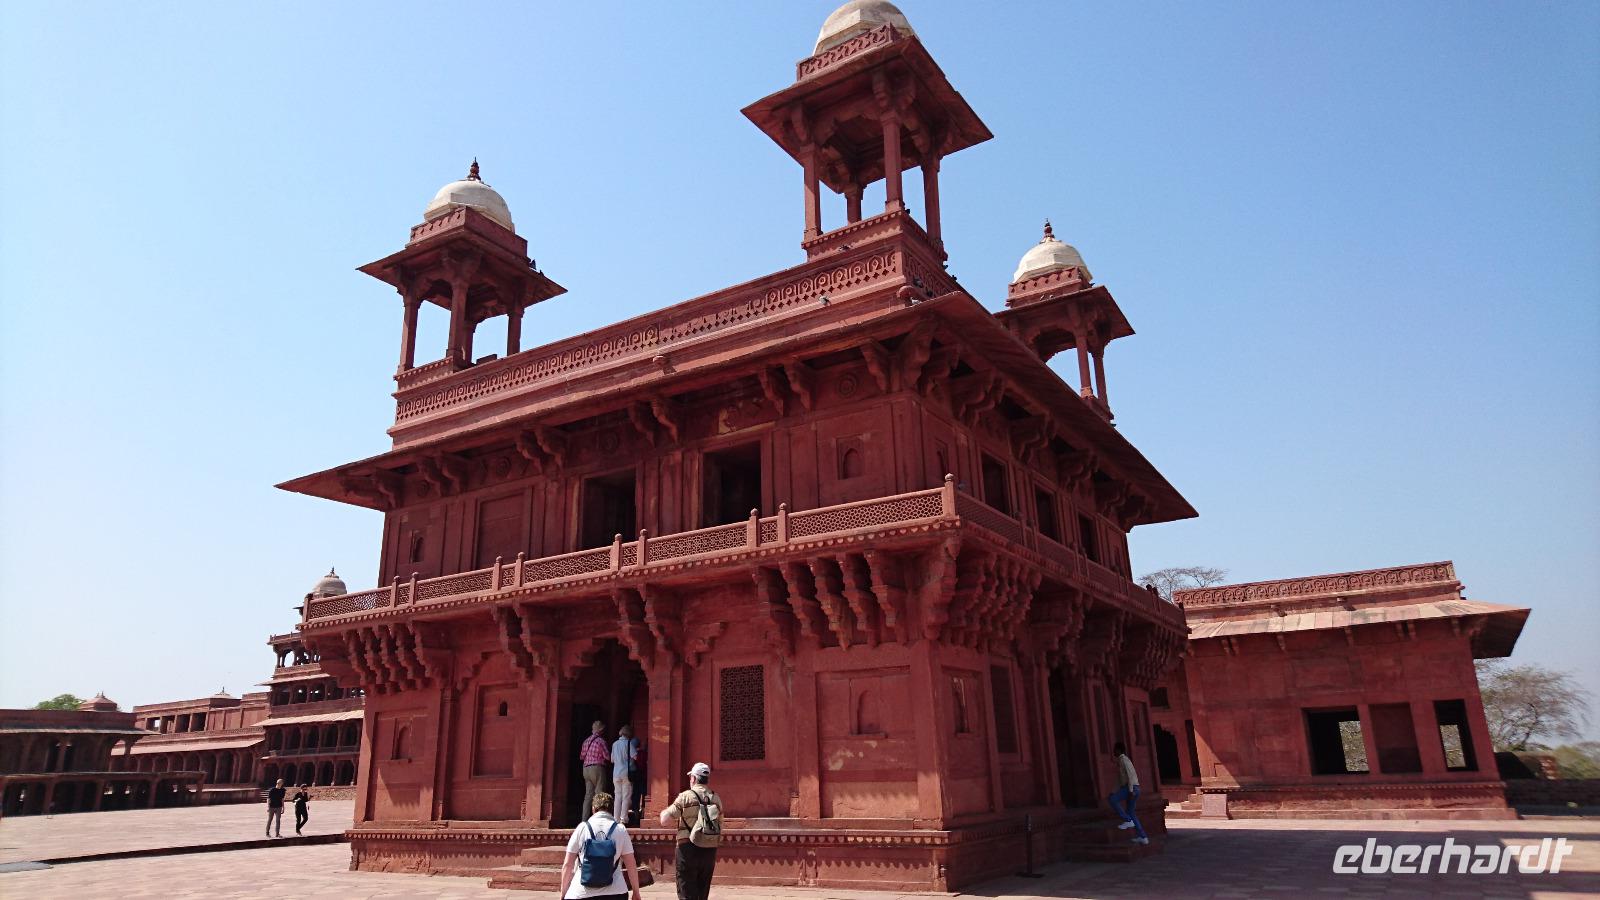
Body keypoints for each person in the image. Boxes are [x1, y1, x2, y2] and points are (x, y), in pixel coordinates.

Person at [558, 791, 643, 900]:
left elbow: (567, 864)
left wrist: (563, 892)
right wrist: (636, 892)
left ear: (593, 809)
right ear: (611, 810)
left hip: (581, 893)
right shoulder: (620, 829)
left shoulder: (582, 828)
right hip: (616, 892)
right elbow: (631, 864)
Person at [659, 762, 721, 900]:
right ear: (707, 779)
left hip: (687, 849)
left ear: (693, 778)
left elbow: (664, 819)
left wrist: (663, 812)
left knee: (686, 892)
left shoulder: (686, 796)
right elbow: (720, 825)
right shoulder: (715, 798)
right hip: (709, 850)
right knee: (702, 894)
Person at [1109, 741, 1148, 845]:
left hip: (1131, 788)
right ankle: (1143, 837)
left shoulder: (1124, 760)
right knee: (1131, 812)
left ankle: (1127, 820)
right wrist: (1113, 791)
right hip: (1134, 788)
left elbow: (1130, 776)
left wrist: (1130, 790)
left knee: (1113, 800)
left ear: (1119, 750)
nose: (1113, 751)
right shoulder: (1121, 761)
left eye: (1115, 749)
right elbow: (1120, 780)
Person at [579, 719, 610, 824]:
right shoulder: (601, 741)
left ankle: (584, 820)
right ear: (601, 730)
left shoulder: (586, 741)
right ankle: (597, 820)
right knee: (599, 794)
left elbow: (582, 756)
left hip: (586, 768)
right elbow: (607, 756)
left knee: (588, 795)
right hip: (597, 768)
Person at [611, 725, 638, 826]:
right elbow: (635, 756)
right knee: (626, 796)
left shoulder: (614, 744)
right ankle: (624, 819)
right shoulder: (628, 743)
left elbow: (612, 760)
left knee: (617, 795)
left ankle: (616, 819)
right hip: (625, 772)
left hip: (616, 773)